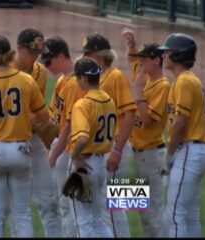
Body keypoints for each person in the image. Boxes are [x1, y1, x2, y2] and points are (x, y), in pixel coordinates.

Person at [0, 34, 55, 238]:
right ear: (12, 53)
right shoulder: (26, 80)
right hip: (21, 149)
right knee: (23, 213)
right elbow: (44, 117)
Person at [80, 32, 136, 237]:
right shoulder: (97, 78)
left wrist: (118, 151)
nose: (85, 56)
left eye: (90, 53)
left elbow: (130, 113)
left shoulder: (115, 76)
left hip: (115, 147)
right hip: (102, 147)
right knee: (105, 206)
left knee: (113, 206)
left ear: (102, 55)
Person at [11, 27, 62, 237]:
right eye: (32, 52)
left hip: (110, 156)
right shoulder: (5, 70)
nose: (36, 58)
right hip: (16, 142)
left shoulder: (114, 80)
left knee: (105, 210)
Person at [159, 33, 205, 237]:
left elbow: (180, 123)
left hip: (189, 150)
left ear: (178, 55)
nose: (163, 56)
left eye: (167, 52)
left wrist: (169, 155)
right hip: (197, 149)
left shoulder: (184, 82)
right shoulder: (189, 80)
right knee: (190, 215)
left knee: (174, 215)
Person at [122, 28, 169, 237]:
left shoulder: (162, 85)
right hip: (137, 153)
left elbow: (149, 121)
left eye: (144, 59)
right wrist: (132, 44)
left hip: (152, 155)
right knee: (142, 209)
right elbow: (131, 61)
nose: (140, 63)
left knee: (153, 212)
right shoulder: (145, 76)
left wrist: (139, 93)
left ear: (156, 60)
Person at [40, 35, 86, 237]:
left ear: (60, 56)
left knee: (74, 207)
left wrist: (51, 156)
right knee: (70, 206)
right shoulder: (62, 80)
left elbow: (69, 128)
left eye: (48, 60)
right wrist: (49, 147)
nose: (45, 65)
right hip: (66, 150)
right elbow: (55, 120)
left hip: (73, 151)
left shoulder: (76, 84)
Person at [69, 57, 115, 238]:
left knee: (83, 220)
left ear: (83, 78)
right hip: (100, 163)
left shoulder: (83, 104)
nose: (76, 80)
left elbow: (82, 138)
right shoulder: (109, 101)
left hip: (85, 165)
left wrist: (74, 157)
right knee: (97, 219)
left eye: (77, 77)